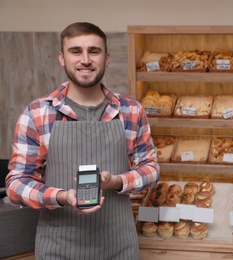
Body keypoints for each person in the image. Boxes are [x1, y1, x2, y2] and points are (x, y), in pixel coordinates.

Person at [5, 22, 160, 259]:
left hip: (118, 244)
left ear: (107, 58)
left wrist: (117, 181)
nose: (85, 60)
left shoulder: (131, 110)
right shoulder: (36, 113)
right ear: (62, 58)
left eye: (94, 51)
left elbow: (151, 169)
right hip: (58, 246)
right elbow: (16, 184)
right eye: (75, 51)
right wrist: (62, 196)